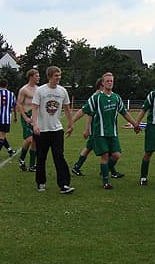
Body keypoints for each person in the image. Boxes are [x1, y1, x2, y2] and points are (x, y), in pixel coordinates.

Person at [76, 72, 139, 189]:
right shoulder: (96, 97)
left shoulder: (116, 98)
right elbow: (83, 111)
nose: (110, 83)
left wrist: (135, 123)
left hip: (113, 133)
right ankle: (106, 181)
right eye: (108, 81)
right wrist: (71, 122)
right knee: (104, 156)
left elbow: (124, 112)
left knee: (116, 155)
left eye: (111, 81)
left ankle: (105, 170)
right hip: (100, 133)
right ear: (103, 83)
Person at [30, 66, 75, 194]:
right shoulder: (40, 91)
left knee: (59, 156)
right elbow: (34, 108)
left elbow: (66, 109)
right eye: (56, 76)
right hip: (42, 130)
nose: (58, 78)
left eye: (59, 75)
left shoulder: (62, 91)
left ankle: (64, 184)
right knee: (41, 157)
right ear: (49, 77)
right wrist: (35, 125)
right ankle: (41, 182)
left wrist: (71, 124)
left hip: (57, 130)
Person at [71, 77, 104, 177]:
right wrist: (87, 130)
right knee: (106, 150)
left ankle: (76, 167)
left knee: (89, 148)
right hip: (96, 129)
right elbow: (89, 113)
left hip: (97, 128)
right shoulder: (96, 97)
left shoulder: (100, 96)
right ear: (101, 86)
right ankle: (108, 170)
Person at [15, 69, 40, 172]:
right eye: (36, 76)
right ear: (31, 77)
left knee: (35, 140)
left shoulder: (38, 89)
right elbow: (19, 103)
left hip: (35, 116)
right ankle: (21, 158)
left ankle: (32, 165)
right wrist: (25, 117)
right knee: (29, 139)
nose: (38, 78)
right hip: (27, 115)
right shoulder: (24, 89)